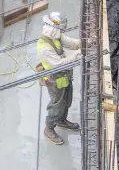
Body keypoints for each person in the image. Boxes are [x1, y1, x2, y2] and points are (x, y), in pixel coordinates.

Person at [37, 12, 81, 145]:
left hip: (65, 77)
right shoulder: (45, 47)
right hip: (55, 80)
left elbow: (71, 43)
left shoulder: (56, 36)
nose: (61, 32)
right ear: (53, 28)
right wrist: (77, 55)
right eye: (60, 29)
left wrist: (84, 42)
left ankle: (62, 121)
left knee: (66, 101)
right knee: (56, 106)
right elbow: (60, 63)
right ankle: (49, 128)